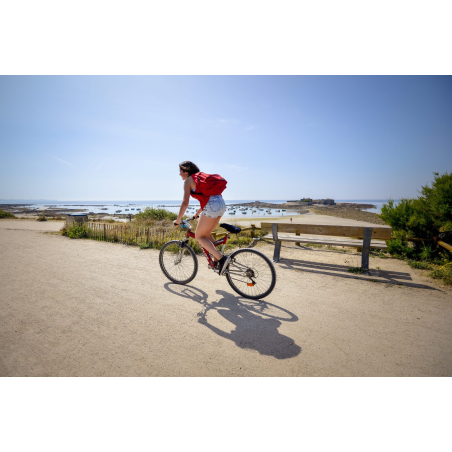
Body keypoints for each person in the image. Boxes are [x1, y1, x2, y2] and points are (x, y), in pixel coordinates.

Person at [174, 161, 230, 275]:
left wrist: (178, 220)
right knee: (207, 234)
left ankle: (222, 258)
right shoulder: (201, 177)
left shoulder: (188, 181)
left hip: (211, 206)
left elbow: (185, 202)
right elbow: (207, 197)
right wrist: (198, 213)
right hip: (221, 204)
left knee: (199, 237)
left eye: (180, 171)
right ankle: (217, 260)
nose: (179, 174)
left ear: (186, 171)